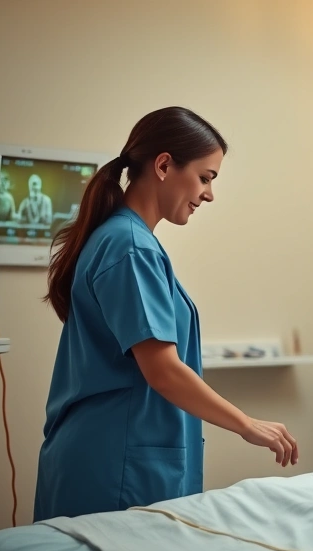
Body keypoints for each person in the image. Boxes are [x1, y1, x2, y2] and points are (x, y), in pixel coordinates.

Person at [34, 106, 298, 522]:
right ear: (163, 165)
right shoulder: (129, 246)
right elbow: (163, 370)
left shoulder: (123, 240)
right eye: (205, 177)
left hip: (116, 455)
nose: (209, 194)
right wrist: (246, 424)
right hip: (116, 465)